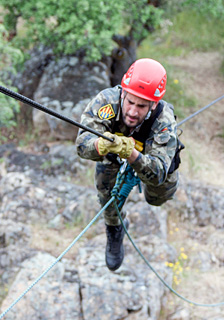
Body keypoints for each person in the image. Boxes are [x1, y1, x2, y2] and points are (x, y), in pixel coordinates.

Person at [75, 58, 182, 271]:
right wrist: (101, 144)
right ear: (123, 92)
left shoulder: (164, 122)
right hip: (113, 155)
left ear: (153, 104)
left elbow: (159, 172)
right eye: (130, 102)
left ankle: (138, 191)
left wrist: (132, 154)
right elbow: (81, 145)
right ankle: (115, 229)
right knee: (106, 193)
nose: (133, 111)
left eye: (141, 106)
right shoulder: (106, 102)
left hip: (149, 159)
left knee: (157, 198)